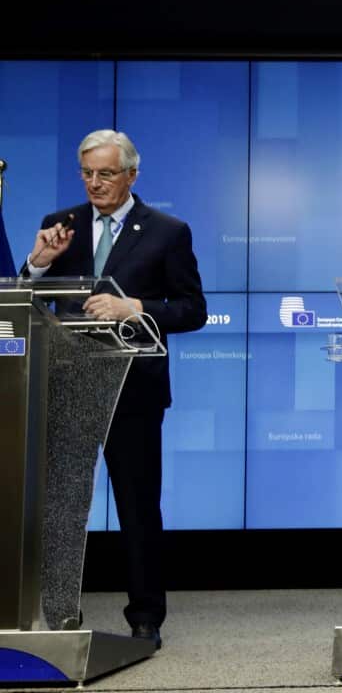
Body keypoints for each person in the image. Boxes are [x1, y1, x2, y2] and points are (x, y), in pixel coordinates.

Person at [23, 129, 207, 648]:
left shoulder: (168, 231)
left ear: (131, 174)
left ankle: (145, 619)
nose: (95, 184)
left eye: (106, 173)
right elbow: (25, 299)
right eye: (87, 173)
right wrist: (37, 263)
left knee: (137, 505)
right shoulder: (60, 225)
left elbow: (193, 310)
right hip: (67, 382)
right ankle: (59, 612)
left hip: (134, 387)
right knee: (62, 503)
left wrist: (139, 308)